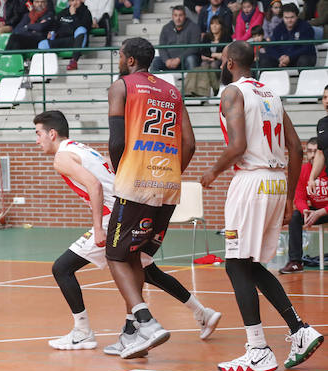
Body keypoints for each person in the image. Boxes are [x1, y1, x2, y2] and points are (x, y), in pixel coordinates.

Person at [34, 110, 220, 350]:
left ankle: (83, 332)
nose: (36, 140)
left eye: (38, 134)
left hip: (116, 217)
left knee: (62, 268)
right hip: (133, 210)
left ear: (52, 133)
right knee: (146, 270)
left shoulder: (62, 157)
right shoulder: (81, 148)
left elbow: (95, 186)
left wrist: (98, 229)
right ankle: (201, 313)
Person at [201, 40, 323, 371]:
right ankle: (299, 330)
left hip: (251, 181)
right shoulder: (271, 93)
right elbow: (296, 148)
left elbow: (238, 145)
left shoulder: (232, 93)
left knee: (236, 264)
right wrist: (288, 199)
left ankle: (257, 349)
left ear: (228, 64)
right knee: (250, 264)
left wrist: (212, 170)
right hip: (276, 180)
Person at [105, 37, 196, 359]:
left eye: (119, 55)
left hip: (136, 182)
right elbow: (191, 144)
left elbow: (116, 142)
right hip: (168, 185)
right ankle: (131, 334)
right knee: (135, 256)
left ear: (129, 60)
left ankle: (146, 321)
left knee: (115, 255)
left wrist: (121, 172)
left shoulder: (122, 86)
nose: (118, 60)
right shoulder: (172, 91)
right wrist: (170, 171)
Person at [281, 137, 328, 273]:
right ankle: (295, 262)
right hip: (315, 212)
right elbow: (299, 197)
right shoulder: (303, 171)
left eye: (315, 151)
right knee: (296, 216)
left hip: (326, 210)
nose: (312, 155)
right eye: (309, 151)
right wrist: (305, 210)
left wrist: (322, 211)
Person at [259, 4, 318, 68]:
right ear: (282, 17)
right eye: (286, 18)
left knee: (304, 60)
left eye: (292, 17)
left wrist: (290, 57)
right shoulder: (278, 28)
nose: (289, 20)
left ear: (297, 16)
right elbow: (271, 47)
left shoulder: (306, 27)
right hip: (283, 59)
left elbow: (307, 48)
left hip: (301, 58)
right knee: (265, 60)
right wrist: (279, 57)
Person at [151, 6, 202, 72]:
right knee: (154, 61)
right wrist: (166, 60)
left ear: (185, 16)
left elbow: (194, 48)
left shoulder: (194, 27)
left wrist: (179, 59)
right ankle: (153, 82)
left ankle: (191, 82)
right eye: (175, 15)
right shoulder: (166, 28)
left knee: (191, 59)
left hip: (185, 59)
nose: (178, 18)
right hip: (169, 61)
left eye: (180, 15)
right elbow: (162, 47)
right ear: (172, 16)